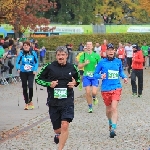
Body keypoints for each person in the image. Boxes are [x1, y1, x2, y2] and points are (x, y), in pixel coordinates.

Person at [35, 46, 80, 150]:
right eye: (59, 55)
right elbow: (38, 79)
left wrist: (75, 83)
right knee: (57, 129)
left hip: (67, 101)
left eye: (63, 55)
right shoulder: (49, 67)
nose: (61, 57)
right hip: (54, 102)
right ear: (56, 56)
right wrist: (49, 83)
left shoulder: (73, 67)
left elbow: (78, 80)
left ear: (67, 56)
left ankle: (60, 148)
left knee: (65, 125)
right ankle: (57, 134)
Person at [94, 43, 127, 138]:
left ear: (114, 51)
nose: (111, 51)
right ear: (106, 52)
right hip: (105, 89)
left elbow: (120, 71)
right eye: (109, 50)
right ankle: (110, 122)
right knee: (108, 109)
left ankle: (113, 128)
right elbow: (95, 74)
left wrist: (124, 77)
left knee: (114, 108)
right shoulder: (102, 62)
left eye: (112, 50)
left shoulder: (118, 61)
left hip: (116, 87)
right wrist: (100, 76)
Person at [78, 41, 101, 113]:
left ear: (92, 46)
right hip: (86, 76)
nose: (88, 46)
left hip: (94, 76)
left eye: (90, 45)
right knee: (88, 92)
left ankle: (94, 97)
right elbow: (79, 66)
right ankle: (90, 107)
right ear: (86, 47)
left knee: (94, 92)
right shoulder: (83, 55)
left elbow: (100, 65)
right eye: (87, 45)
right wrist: (85, 63)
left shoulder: (96, 55)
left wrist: (99, 70)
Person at [16, 41, 38, 110]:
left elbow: (36, 62)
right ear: (23, 46)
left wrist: (35, 69)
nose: (26, 46)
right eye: (24, 45)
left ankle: (30, 100)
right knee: (24, 87)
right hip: (23, 72)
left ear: (29, 46)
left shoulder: (33, 53)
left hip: (31, 72)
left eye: (27, 45)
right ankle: (26, 103)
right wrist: (18, 68)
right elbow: (17, 62)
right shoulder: (21, 53)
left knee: (30, 86)